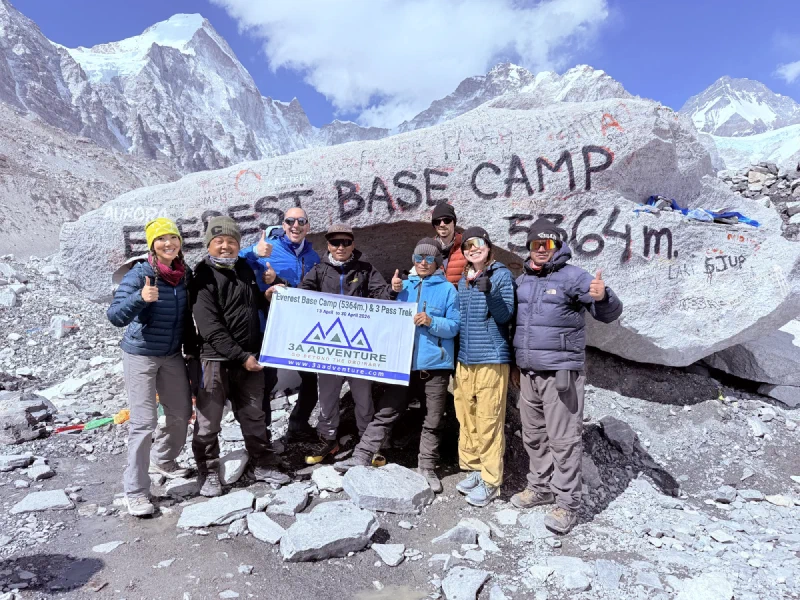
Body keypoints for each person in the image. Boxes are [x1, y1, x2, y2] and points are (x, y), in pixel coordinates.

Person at [510, 217, 623, 534]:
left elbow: (608, 312)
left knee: (564, 440)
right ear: (529, 247)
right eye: (536, 243)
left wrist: (603, 297)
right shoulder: (523, 281)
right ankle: (540, 486)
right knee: (533, 436)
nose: (541, 249)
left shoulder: (574, 277)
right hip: (529, 373)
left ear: (557, 245)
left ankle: (567, 505)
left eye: (548, 243)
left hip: (561, 375)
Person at [333, 239, 460, 492]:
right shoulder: (403, 286)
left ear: (436, 263)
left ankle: (427, 466)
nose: (423, 263)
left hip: (434, 366)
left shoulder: (448, 290)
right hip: (402, 365)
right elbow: (382, 317)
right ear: (413, 260)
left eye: (429, 259)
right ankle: (362, 455)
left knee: (433, 419)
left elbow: (455, 326)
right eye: (418, 258)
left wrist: (432, 321)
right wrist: (393, 293)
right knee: (386, 411)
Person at [190, 216, 290, 497]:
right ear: (209, 244)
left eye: (231, 242)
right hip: (217, 361)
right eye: (219, 241)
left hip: (249, 358)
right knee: (209, 421)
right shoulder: (202, 276)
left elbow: (252, 302)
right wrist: (241, 356)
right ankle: (208, 471)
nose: (225, 247)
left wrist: (268, 295)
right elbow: (210, 328)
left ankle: (263, 462)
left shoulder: (244, 268)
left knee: (254, 415)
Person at [107, 218, 196, 517]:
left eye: (172, 238)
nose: (167, 243)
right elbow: (116, 316)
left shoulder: (185, 274)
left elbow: (186, 317)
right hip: (141, 355)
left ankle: (164, 459)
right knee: (144, 423)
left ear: (180, 242)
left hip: (171, 355)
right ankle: (136, 492)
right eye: (160, 239)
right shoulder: (140, 274)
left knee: (181, 414)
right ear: (151, 245)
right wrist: (140, 299)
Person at [298, 223, 396, 464]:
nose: (340, 247)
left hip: (358, 348)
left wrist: (393, 291)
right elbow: (301, 296)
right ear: (328, 245)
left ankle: (370, 443)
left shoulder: (365, 270)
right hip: (330, 348)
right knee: (328, 398)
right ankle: (327, 439)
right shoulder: (319, 270)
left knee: (363, 399)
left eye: (345, 242)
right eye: (335, 242)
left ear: (353, 244)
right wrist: (280, 288)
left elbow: (380, 295)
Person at [240, 207, 321, 443]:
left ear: (308, 226)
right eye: (290, 221)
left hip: (302, 326)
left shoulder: (313, 256)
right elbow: (236, 259)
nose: (296, 225)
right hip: (272, 325)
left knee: (310, 379)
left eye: (301, 221)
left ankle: (298, 424)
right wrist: (255, 251)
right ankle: (262, 437)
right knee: (267, 380)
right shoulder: (269, 248)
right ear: (283, 225)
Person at [453, 227, 515, 507]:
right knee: (467, 415)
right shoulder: (463, 281)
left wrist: (489, 291)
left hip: (491, 357)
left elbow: (505, 315)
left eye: (478, 244)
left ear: (489, 247)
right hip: (466, 358)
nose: (472, 248)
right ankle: (475, 468)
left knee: (489, 418)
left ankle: (491, 481)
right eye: (467, 245)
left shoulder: (501, 275)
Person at [431, 204, 466, 285]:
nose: (442, 224)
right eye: (437, 221)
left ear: (454, 222)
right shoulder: (428, 248)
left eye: (447, 220)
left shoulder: (466, 245)